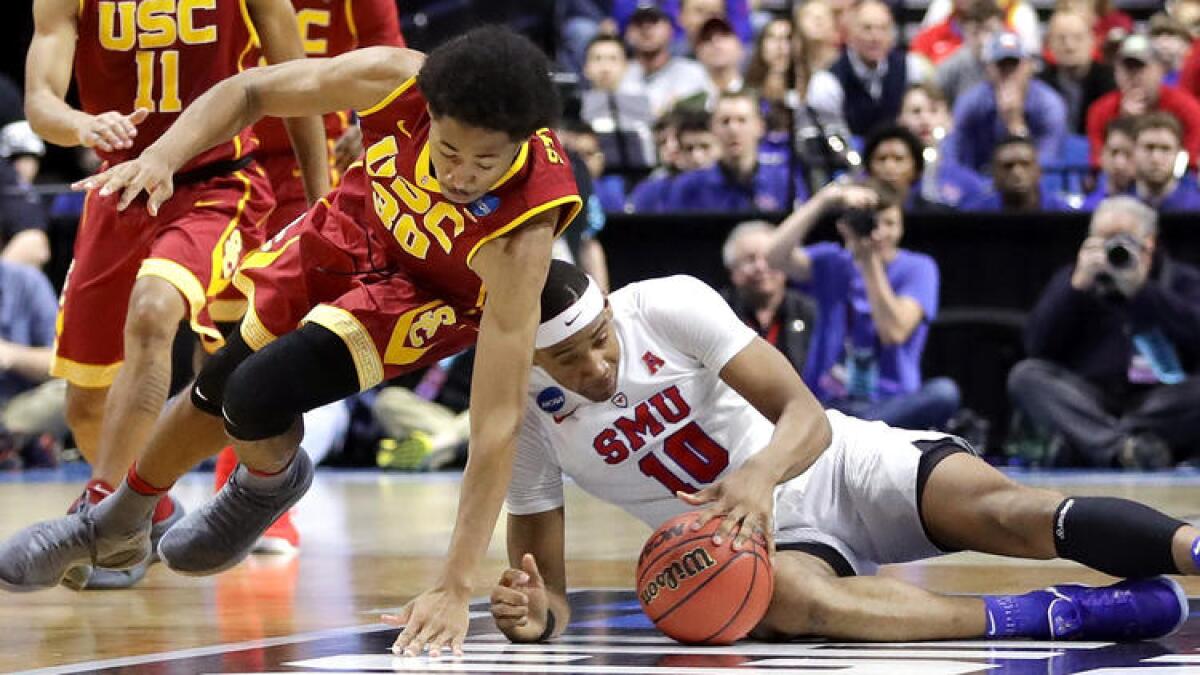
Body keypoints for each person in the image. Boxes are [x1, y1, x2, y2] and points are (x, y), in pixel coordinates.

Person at [0, 27, 582, 660]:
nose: (460, 175)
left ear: (523, 144)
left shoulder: (522, 236)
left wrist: (453, 583)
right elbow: (249, 90)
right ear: (430, 110)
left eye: (485, 163)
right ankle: (115, 523)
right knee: (220, 380)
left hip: (428, 295)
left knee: (256, 394)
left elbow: (495, 421)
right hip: (361, 226)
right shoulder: (397, 76)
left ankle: (267, 483)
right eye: (447, 151)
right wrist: (163, 155)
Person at [489, 259, 1197, 645]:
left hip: (828, 459)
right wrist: (534, 616)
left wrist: (758, 476)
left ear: (612, 313)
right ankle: (1049, 613)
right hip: (757, 542)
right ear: (531, 357)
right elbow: (549, 589)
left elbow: (805, 415)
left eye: (599, 341)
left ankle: (1191, 546)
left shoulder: (667, 304)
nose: (595, 367)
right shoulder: (519, 412)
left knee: (1010, 510)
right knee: (790, 600)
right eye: (567, 359)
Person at [22, 0, 327, 589]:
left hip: (215, 184)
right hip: (115, 190)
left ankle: (108, 511)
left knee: (155, 311)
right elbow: (40, 100)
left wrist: (322, 207)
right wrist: (79, 126)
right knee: (86, 407)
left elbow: (303, 87)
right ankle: (151, 509)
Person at [212, 0, 407, 557]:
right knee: (221, 336)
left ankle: (256, 496)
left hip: (313, 159)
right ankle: (155, 490)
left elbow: (395, 74)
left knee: (281, 330)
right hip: (230, 154)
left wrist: (370, 129)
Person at [1009, 197, 1200, 469]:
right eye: (1102, 241)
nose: (1112, 250)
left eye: (1122, 240)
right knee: (1026, 375)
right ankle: (1123, 449)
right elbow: (1036, 345)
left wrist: (1143, 292)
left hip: (1162, 399)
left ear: (1149, 244)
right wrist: (1074, 289)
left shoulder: (1182, 280)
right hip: (1090, 397)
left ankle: (1099, 441)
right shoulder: (1075, 278)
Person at [765, 180, 960, 430]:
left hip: (891, 403)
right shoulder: (833, 261)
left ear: (901, 228)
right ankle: (844, 432)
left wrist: (869, 261)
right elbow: (773, 255)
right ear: (844, 227)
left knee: (944, 393)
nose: (879, 232)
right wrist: (825, 199)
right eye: (872, 222)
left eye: (890, 223)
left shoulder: (919, 268)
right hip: (828, 401)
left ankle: (848, 434)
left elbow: (894, 332)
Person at [943, 31, 1067, 173]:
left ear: (1029, 67)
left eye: (1014, 66)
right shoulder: (971, 103)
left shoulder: (1049, 105)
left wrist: (1016, 125)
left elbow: (1046, 165)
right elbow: (953, 157)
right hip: (979, 184)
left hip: (1030, 189)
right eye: (1001, 66)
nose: (1008, 74)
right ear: (987, 69)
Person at [663, 90, 806, 212]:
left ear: (760, 127)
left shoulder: (785, 180)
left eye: (742, 120)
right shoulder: (689, 186)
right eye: (725, 121)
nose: (733, 130)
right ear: (712, 128)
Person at [806, 0, 928, 138]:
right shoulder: (827, 83)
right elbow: (832, 141)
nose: (875, 37)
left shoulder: (911, 69)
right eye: (867, 28)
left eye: (882, 28)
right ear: (850, 34)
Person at [1087, 34, 1200, 167]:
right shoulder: (1101, 110)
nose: (1134, 76)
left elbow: (1191, 158)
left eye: (1141, 67)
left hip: (1174, 184)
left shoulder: (1186, 106)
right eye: (1127, 68)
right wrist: (1125, 123)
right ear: (1116, 72)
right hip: (1119, 184)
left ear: (1159, 69)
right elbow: (1097, 161)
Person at [721, 221, 816, 377]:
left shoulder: (810, 311)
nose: (761, 266)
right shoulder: (717, 312)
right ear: (733, 270)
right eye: (750, 259)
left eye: (769, 257)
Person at [0, 259, 64, 470]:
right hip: (15, 423)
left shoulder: (28, 281)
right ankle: (22, 444)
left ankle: (11, 442)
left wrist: (11, 356)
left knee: (73, 391)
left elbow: (60, 360)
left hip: (18, 407)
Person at [897, 83, 989, 208]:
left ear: (949, 121)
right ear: (900, 121)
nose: (925, 119)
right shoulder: (890, 175)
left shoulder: (969, 183)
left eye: (933, 111)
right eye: (916, 111)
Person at [620, 5, 713, 119]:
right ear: (628, 33)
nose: (646, 27)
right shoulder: (621, 74)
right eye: (638, 23)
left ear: (671, 30)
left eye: (654, 21)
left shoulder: (692, 72)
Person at [1039, 10, 1116, 135]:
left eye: (1078, 37)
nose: (1070, 46)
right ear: (1049, 44)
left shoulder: (1110, 81)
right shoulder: (1040, 85)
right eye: (1061, 38)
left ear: (1092, 40)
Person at [963, 135, 1074, 211]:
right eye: (1008, 166)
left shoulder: (1064, 214)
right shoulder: (976, 216)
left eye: (1025, 164)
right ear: (995, 174)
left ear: (1039, 171)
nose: (1017, 172)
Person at [932, 0, 1004, 105]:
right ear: (964, 32)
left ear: (1002, 30)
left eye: (990, 31)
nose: (982, 40)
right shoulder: (950, 68)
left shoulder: (1015, 63)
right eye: (975, 32)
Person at [1130, 112, 1200, 212]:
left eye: (1165, 149)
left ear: (1178, 153)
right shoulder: (1117, 202)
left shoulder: (1195, 205)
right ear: (1134, 150)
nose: (1156, 158)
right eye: (1149, 147)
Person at [861, 124, 942, 211]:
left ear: (916, 168)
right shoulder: (856, 211)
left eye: (898, 159)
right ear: (869, 167)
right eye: (881, 159)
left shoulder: (937, 216)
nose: (889, 166)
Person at [1082, 116, 1137, 210]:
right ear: (1101, 155)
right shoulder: (1089, 208)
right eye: (1114, 152)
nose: (1120, 164)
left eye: (1129, 154)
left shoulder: (1154, 205)